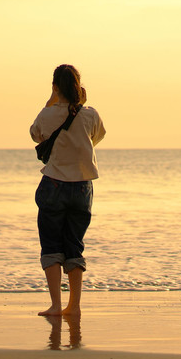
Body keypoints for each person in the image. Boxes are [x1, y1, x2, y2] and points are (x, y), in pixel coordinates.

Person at [29, 64, 106, 316]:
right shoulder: (90, 114)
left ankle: (55, 305)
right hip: (83, 187)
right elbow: (97, 137)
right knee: (75, 244)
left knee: (51, 244)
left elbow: (35, 134)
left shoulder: (47, 114)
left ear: (55, 87)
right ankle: (74, 306)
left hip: (54, 183)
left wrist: (50, 102)